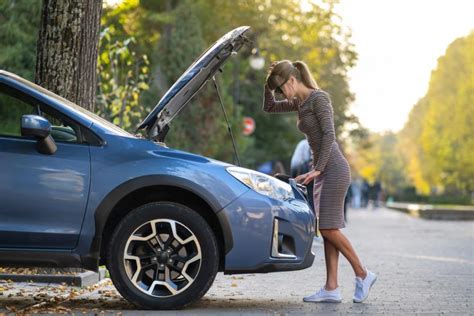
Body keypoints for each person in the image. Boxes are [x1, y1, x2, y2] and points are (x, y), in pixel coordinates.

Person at [263, 60, 377, 303]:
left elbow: (329, 134)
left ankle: (363, 273)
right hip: (323, 170)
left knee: (327, 228)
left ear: (292, 80)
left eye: (282, 88)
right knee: (327, 229)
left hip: (333, 168)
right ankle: (331, 288)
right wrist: (268, 83)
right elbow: (269, 107)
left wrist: (317, 169)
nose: (282, 94)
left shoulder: (319, 98)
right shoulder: (299, 102)